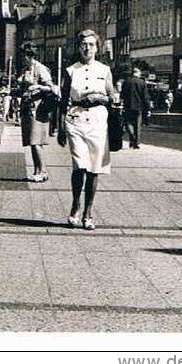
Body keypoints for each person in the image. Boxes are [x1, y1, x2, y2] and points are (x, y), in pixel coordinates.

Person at [58, 29, 119, 230]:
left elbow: (112, 97)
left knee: (94, 168)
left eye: (91, 44)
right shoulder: (71, 70)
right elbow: (63, 100)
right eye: (84, 44)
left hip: (98, 121)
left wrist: (100, 98)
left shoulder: (104, 70)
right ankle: (75, 206)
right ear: (79, 47)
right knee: (79, 165)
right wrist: (60, 127)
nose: (87, 48)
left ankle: (88, 212)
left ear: (97, 48)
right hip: (75, 120)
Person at [15, 42, 56, 182]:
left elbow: (51, 88)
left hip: (37, 110)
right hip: (27, 107)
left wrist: (37, 86)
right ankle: (36, 170)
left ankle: (43, 171)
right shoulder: (27, 68)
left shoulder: (40, 69)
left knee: (36, 142)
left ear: (29, 55)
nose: (21, 58)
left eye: (23, 56)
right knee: (32, 142)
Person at [119, 66, 151, 149]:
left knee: (129, 123)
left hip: (128, 106)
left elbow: (122, 95)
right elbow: (145, 97)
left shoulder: (126, 82)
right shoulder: (142, 82)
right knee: (137, 125)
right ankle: (135, 142)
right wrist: (148, 108)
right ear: (137, 73)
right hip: (139, 107)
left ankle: (131, 139)